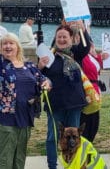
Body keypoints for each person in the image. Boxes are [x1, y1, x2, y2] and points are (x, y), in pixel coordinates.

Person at [38, 24, 91, 169]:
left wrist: (82, 29)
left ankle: (73, 165)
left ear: (71, 38)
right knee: (52, 137)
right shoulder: (49, 55)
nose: (61, 39)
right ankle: (52, 166)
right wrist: (40, 67)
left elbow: (86, 46)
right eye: (59, 37)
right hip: (55, 104)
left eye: (64, 37)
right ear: (55, 38)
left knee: (73, 138)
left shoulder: (76, 53)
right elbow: (39, 77)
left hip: (74, 104)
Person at [0, 33, 50, 169]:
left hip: (26, 117)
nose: (8, 46)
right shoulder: (1, 65)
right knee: (5, 159)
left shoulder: (28, 66)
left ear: (18, 47)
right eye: (4, 44)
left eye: (11, 43)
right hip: (6, 119)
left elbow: (43, 79)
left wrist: (46, 83)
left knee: (20, 158)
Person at [80, 42, 108, 142]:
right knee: (86, 125)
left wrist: (99, 57)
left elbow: (95, 68)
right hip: (86, 92)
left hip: (95, 91)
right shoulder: (80, 54)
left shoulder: (89, 52)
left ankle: (88, 146)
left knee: (93, 124)